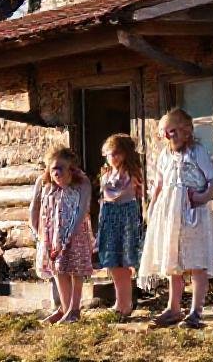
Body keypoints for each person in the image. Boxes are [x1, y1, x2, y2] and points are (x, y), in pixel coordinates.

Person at [138, 108, 213, 329]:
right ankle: (173, 308)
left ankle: (196, 311)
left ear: (187, 132)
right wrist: (151, 207)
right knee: (173, 261)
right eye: (165, 132)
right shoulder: (164, 155)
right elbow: (158, 183)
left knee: (196, 261)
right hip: (169, 213)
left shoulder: (196, 152)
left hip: (192, 211)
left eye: (174, 131)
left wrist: (204, 196)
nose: (170, 136)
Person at [29, 144, 93, 323]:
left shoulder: (81, 183)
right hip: (51, 235)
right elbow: (34, 208)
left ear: (71, 169)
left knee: (75, 267)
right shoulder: (43, 183)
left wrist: (70, 235)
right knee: (57, 268)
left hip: (75, 232)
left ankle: (74, 309)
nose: (57, 173)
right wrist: (38, 233)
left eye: (61, 168)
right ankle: (64, 308)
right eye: (53, 169)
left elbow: (81, 210)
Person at [95, 133, 145, 318]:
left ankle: (126, 303)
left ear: (125, 153)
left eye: (116, 153)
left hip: (125, 217)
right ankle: (120, 301)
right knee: (113, 262)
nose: (113, 157)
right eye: (109, 154)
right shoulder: (107, 174)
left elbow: (125, 194)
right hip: (109, 217)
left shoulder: (131, 173)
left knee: (124, 261)